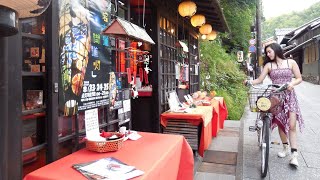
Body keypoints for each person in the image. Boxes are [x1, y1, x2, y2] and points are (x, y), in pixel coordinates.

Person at [244, 43, 304, 167]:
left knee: (292, 125)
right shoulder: (268, 65)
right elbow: (259, 80)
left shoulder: (291, 62)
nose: (268, 54)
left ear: (276, 50)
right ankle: (285, 147)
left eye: (269, 51)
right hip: (275, 96)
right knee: (280, 123)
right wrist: (249, 82)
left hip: (289, 95)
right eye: (267, 53)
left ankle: (294, 155)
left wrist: (292, 84)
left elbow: (299, 78)